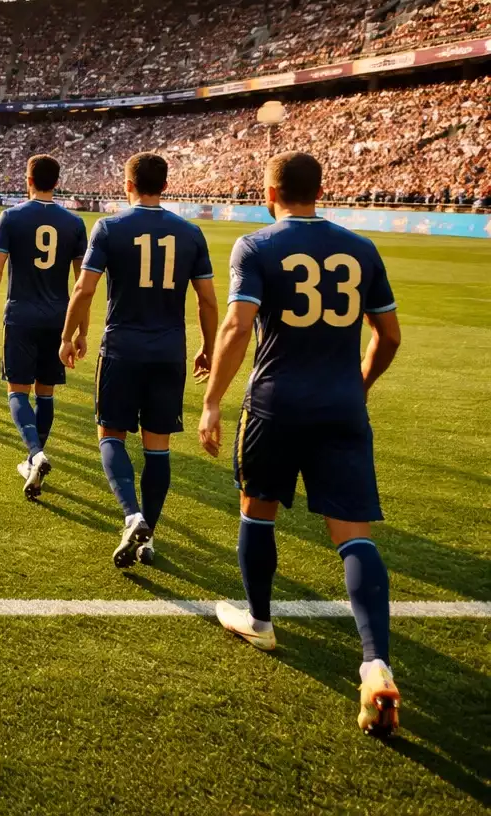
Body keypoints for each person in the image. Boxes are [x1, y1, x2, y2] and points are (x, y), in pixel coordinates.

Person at [197, 151, 403, 738]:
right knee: (353, 535)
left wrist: (212, 402)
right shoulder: (362, 248)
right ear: (322, 188)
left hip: (276, 404)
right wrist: (358, 384)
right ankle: (376, 664)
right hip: (341, 406)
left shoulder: (256, 246)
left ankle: (260, 620)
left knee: (257, 513)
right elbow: (388, 334)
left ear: (268, 191)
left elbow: (237, 327)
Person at [60, 152, 218, 568]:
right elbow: (207, 300)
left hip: (122, 349)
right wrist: (208, 346)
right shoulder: (190, 233)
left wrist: (69, 336)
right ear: (165, 186)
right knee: (158, 448)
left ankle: (132, 515)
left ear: (126, 185)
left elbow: (84, 290)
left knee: (110, 434)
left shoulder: (110, 227)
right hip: (169, 352)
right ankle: (149, 538)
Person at [0, 155, 87, 499]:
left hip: (21, 315)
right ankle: (32, 459)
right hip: (58, 319)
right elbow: (82, 282)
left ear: (28, 178)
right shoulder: (74, 223)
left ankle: (36, 455)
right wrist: (80, 331)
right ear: (57, 181)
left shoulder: (12, 217)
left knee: (16, 391)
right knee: (46, 393)